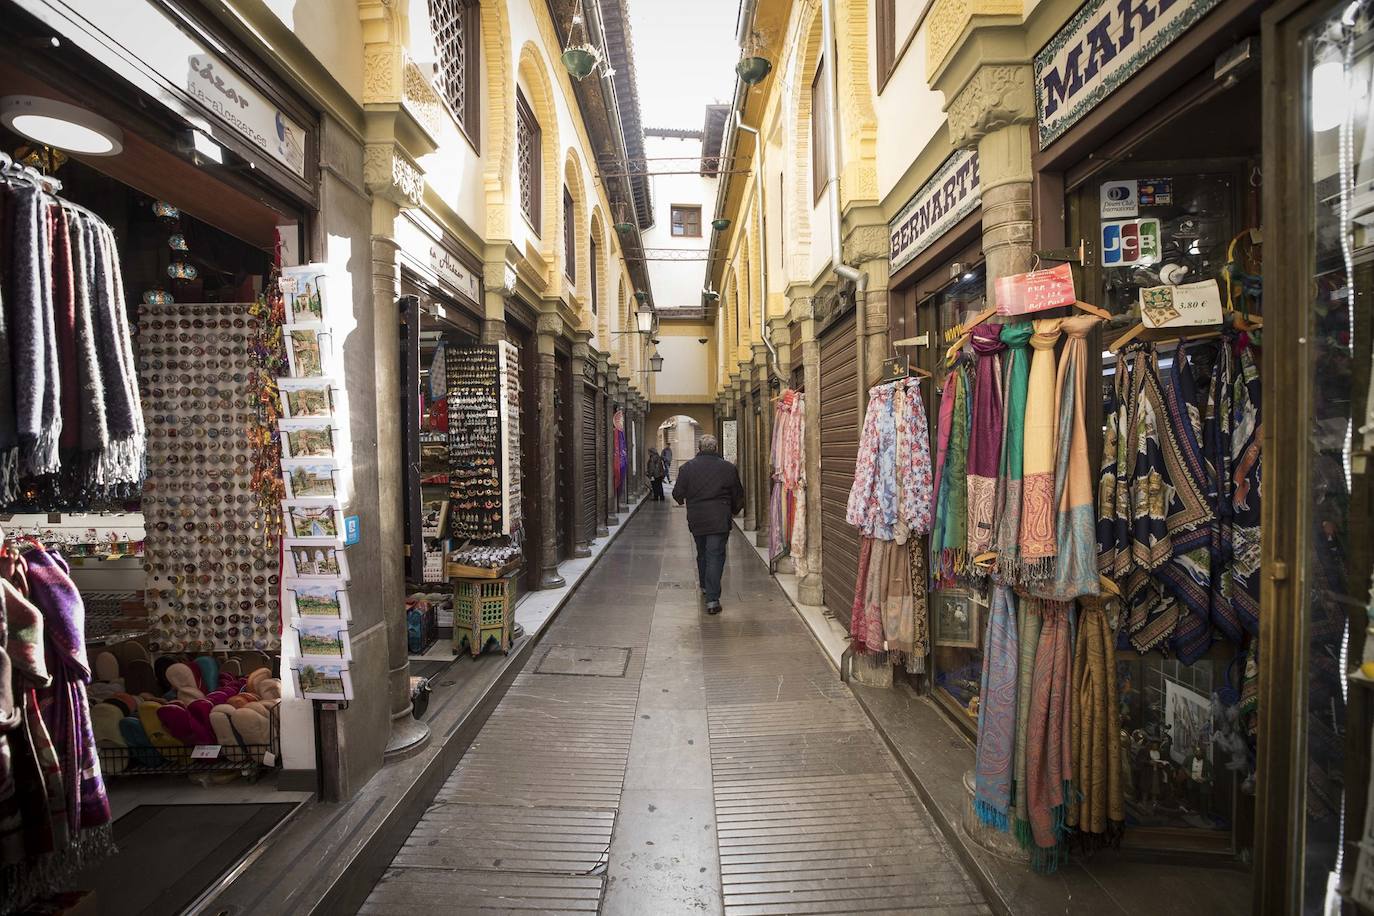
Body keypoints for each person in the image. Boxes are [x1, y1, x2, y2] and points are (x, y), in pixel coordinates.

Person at [672, 435, 744, 615]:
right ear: (716, 447)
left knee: (702, 552)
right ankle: (712, 599)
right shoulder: (728, 468)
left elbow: (677, 494)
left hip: (697, 518)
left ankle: (705, 586)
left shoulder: (687, 468)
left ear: (699, 447)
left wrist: (686, 500)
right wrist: (734, 510)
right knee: (715, 555)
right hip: (719, 518)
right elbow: (738, 494)